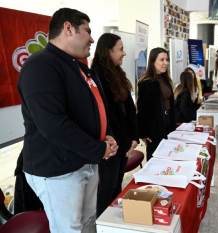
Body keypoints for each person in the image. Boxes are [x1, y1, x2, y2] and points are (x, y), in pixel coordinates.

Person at [17, 8, 118, 233]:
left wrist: (105, 135)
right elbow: (53, 125)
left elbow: (92, 108)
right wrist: (98, 148)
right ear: (68, 28)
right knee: (69, 228)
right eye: (87, 31)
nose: (92, 38)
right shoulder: (40, 66)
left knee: (88, 221)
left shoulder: (76, 66)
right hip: (58, 169)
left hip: (85, 160)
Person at [91, 33, 139, 217]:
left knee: (116, 187)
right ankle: (104, 223)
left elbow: (129, 108)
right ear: (107, 51)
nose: (124, 53)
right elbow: (109, 117)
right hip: (111, 145)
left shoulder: (117, 73)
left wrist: (133, 137)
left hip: (123, 143)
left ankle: (113, 224)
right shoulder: (97, 77)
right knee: (107, 190)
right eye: (120, 49)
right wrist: (125, 141)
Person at [137, 47, 176, 160]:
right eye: (162, 60)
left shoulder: (165, 79)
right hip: (155, 129)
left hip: (168, 125)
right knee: (156, 160)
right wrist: (143, 134)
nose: (165, 63)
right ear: (153, 61)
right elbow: (142, 110)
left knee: (168, 157)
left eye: (166, 59)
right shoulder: (146, 82)